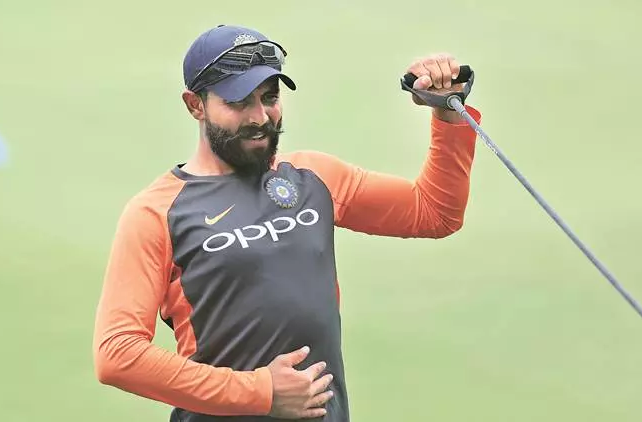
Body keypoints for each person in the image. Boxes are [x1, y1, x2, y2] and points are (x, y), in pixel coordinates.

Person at [92, 24, 482, 421]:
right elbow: (117, 353)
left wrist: (447, 112)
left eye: (270, 97)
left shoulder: (314, 177)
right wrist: (260, 392)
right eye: (239, 102)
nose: (260, 117)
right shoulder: (156, 213)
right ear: (195, 105)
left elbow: (434, 213)